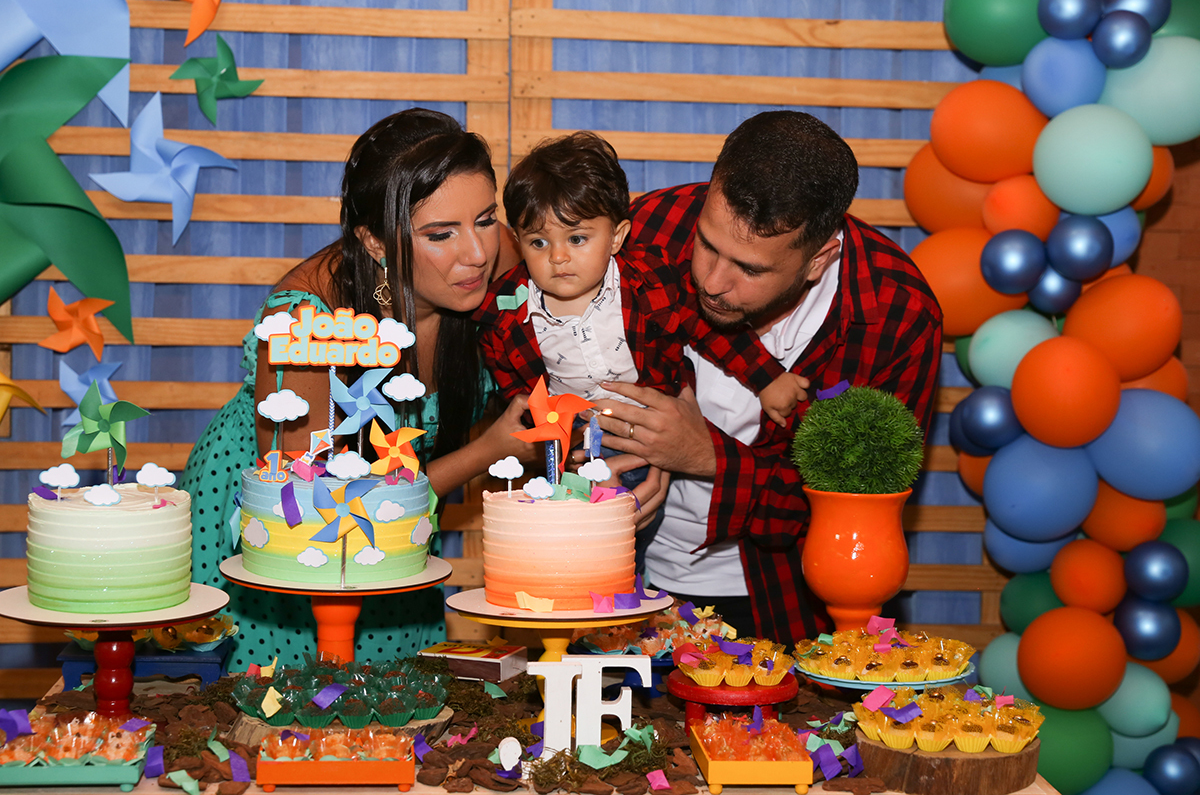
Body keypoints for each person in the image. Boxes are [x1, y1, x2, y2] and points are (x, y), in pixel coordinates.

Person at [179, 108, 534, 671]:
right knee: (296, 710)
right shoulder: (304, 325)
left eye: (487, 219)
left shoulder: (498, 255)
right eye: (441, 234)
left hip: (395, 528)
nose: (478, 253)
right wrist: (488, 451)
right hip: (292, 538)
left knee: (396, 712)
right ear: (373, 241)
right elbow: (321, 513)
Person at [588, 111, 944, 646]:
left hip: (782, 605)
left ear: (819, 258)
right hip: (612, 580)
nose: (711, 281)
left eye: (750, 270)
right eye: (707, 244)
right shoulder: (652, 226)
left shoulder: (897, 313)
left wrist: (704, 456)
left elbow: (858, 511)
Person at [474, 131, 802, 506]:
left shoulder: (651, 281)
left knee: (638, 519)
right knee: (579, 534)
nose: (558, 257)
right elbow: (511, 384)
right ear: (517, 241)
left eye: (577, 239)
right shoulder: (504, 313)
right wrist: (541, 436)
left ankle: (635, 562)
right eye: (539, 243)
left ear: (616, 237)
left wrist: (767, 378)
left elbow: (710, 332)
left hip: (647, 432)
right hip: (570, 445)